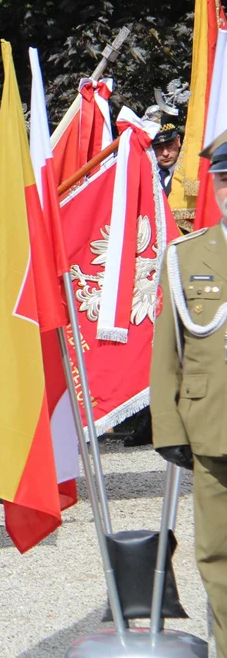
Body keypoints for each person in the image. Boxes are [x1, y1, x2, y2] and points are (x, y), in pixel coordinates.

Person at [149, 140, 227, 657]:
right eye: (223, 179)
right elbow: (168, 349)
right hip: (211, 428)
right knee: (217, 554)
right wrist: (170, 431)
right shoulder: (186, 255)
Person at [152, 123, 182, 196]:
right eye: (158, 148)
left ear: (178, 141)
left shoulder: (190, 174)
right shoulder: (146, 176)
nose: (165, 154)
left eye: (169, 145)